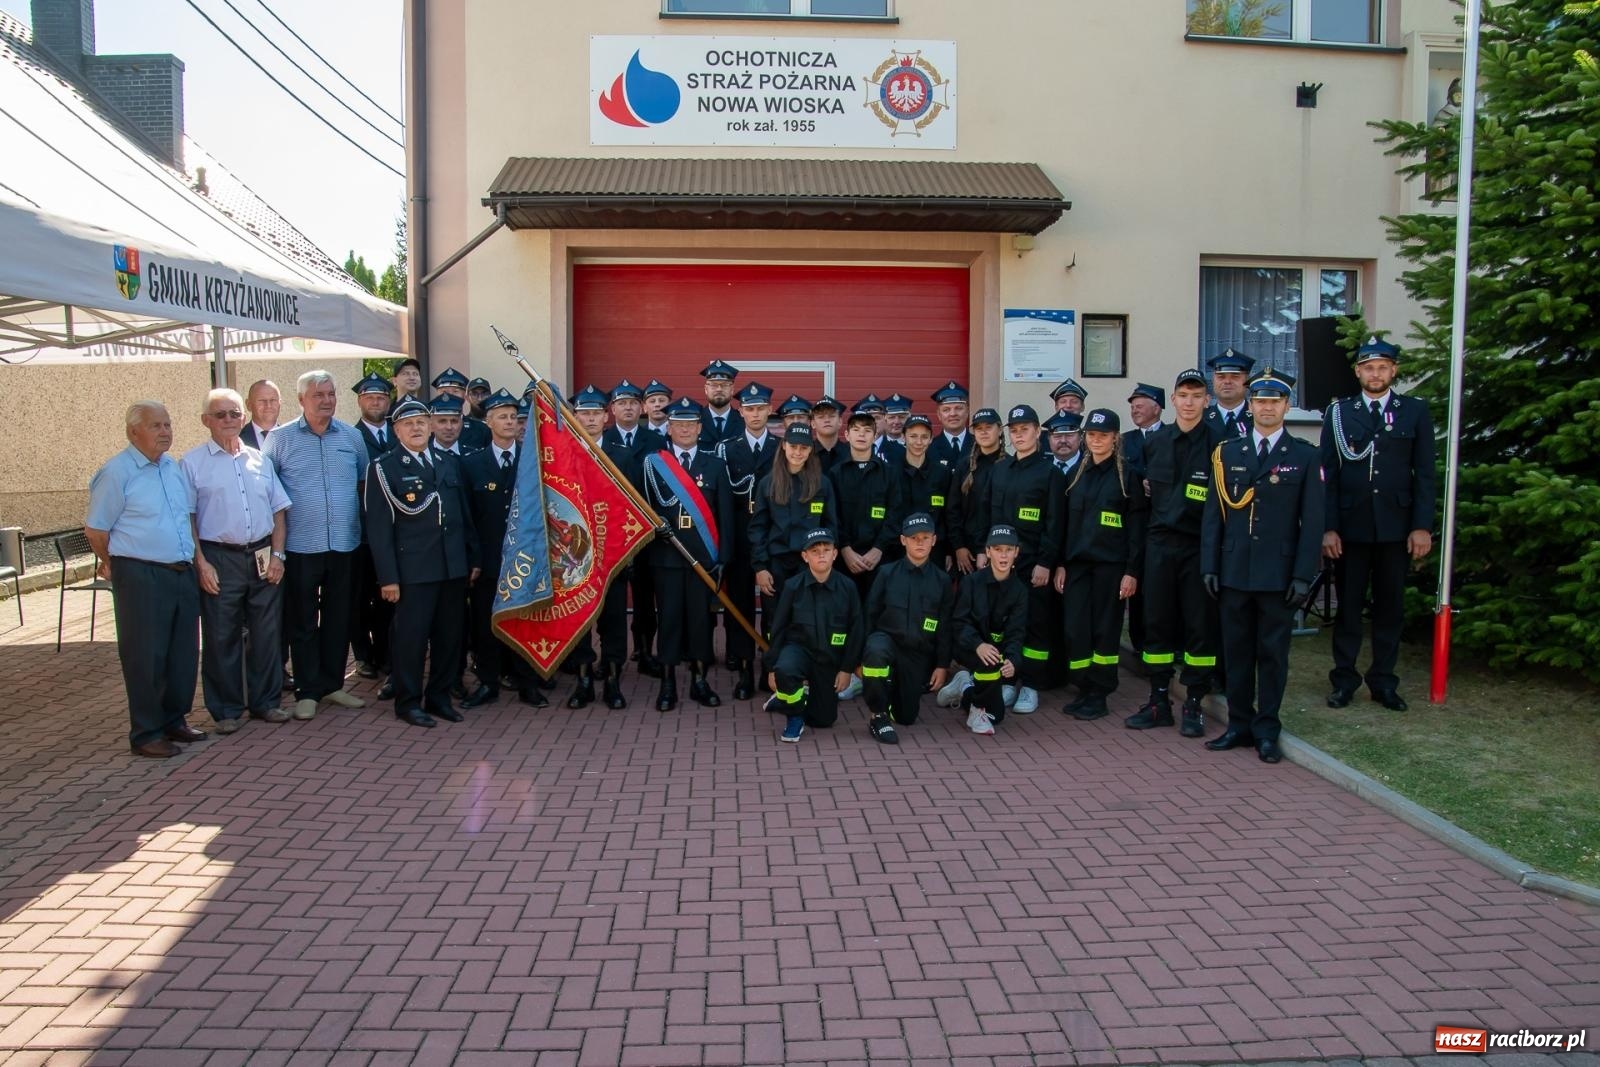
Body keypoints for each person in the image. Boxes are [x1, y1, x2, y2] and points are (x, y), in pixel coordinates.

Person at [1202, 369, 1324, 764]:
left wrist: (1303, 575)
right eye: (1260, 401)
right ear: (1250, 405)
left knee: (1272, 656)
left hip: (1278, 575)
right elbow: (1213, 516)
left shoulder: (1305, 456)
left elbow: (1312, 523)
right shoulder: (1228, 453)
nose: (1267, 408)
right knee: (1236, 653)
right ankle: (1238, 724)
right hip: (1234, 570)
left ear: (1286, 406)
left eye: (1275, 401)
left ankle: (1267, 729)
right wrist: (1210, 565)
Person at [1321, 337, 1436, 711]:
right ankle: (1344, 681)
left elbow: (1425, 474)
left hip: (1395, 528)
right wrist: (1328, 527)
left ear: (1393, 371)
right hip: (1350, 528)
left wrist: (1421, 526)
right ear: (1358, 372)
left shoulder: (1414, 411)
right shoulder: (1339, 413)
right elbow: (1328, 474)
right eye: (1369, 368)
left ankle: (1384, 682)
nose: (1375, 374)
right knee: (1348, 609)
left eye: (1382, 367)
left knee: (1390, 609)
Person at [87, 400, 205, 758]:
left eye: (167, 424)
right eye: (156, 425)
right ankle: (146, 733)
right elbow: (96, 530)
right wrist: (113, 564)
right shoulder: (116, 472)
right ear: (133, 431)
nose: (165, 431)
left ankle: (173, 720)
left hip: (180, 572)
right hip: (141, 574)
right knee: (145, 656)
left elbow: (183, 518)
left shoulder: (171, 467)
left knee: (182, 653)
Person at [182, 387, 292, 734]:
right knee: (221, 635)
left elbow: (278, 510)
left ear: (244, 417)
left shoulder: (260, 459)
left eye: (234, 414)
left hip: (261, 554)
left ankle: (266, 703)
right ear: (206, 421)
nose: (229, 420)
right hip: (219, 557)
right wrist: (201, 563)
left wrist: (278, 555)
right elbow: (187, 519)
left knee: (266, 634)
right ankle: (226, 710)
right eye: (220, 414)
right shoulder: (192, 463)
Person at [365, 398, 480, 728]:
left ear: (430, 426)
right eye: (408, 424)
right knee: (411, 640)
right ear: (397, 430)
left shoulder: (448, 461)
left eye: (420, 422)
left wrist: (472, 557)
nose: (415, 428)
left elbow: (463, 515)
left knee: (449, 637)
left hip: (452, 567)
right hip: (413, 571)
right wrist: (388, 578)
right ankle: (408, 702)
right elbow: (379, 529)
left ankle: (439, 698)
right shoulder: (384, 468)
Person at [265, 370, 368, 721]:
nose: (326, 400)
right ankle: (307, 690)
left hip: (344, 544)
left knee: (339, 618)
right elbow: (268, 492)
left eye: (331, 394)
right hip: (300, 546)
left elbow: (362, 484)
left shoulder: (352, 437)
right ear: (301, 400)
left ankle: (332, 684)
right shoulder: (279, 439)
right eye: (318, 395)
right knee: (303, 621)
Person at [1133, 370, 1225, 737]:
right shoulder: (1156, 442)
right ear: (1172, 400)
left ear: (1207, 400)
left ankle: (1194, 703)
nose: (1189, 402)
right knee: (1156, 622)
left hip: (1198, 547)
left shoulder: (1220, 444)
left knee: (1199, 626)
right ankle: (1159, 700)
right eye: (1183, 395)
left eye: (1196, 396)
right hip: (1159, 546)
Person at [461, 388, 551, 710]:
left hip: (525, 557)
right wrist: (473, 558)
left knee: (524, 622)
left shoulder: (533, 462)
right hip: (488, 559)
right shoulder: (471, 464)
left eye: (514, 416)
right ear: (488, 422)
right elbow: (467, 517)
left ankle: (527, 683)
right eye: (502, 416)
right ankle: (488, 682)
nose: (510, 422)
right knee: (487, 624)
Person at [1056, 408, 1148, 721]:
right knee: (1076, 628)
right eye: (1092, 435)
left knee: (1104, 630)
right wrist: (1061, 564)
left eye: (1103, 435)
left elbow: (1136, 529)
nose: (1097, 440)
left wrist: (1131, 571)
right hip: (1077, 566)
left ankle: (1100, 692)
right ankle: (1083, 686)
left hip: (1111, 567)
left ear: (1115, 438)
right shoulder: (1076, 474)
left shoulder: (1127, 477)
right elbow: (1065, 524)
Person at [643, 397, 734, 712]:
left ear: (699, 428)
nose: (684, 429)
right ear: (669, 428)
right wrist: (655, 528)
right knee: (669, 620)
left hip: (702, 559)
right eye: (678, 424)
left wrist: (723, 559)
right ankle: (667, 683)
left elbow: (725, 516)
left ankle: (699, 680)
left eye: (690, 424)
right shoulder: (654, 464)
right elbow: (644, 509)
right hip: (666, 558)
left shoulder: (715, 465)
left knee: (700, 622)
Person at [976, 404, 1065, 710]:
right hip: (1001, 565)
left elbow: (1055, 523)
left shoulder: (1050, 473)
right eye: (1014, 431)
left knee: (1036, 625)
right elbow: (986, 513)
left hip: (1032, 565)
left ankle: (1031, 685)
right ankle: (1007, 680)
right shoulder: (1000, 470)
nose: (1019, 435)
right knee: (1003, 624)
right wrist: (982, 551)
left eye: (1024, 429)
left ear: (1038, 431)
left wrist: (1046, 562)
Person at [560, 385, 633, 708]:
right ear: (574, 417)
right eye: (584, 413)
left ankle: (613, 680)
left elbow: (632, 506)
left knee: (614, 620)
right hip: (574, 556)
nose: (589, 419)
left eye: (595, 413)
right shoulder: (563, 455)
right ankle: (584, 680)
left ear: (606, 417)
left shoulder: (622, 455)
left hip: (612, 553)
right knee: (578, 620)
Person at [751, 423, 838, 683]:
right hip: (776, 565)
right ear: (783, 446)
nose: (798, 452)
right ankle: (772, 672)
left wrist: (824, 562)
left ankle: (807, 673)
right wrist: (760, 567)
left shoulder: (822, 484)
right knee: (773, 621)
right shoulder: (768, 483)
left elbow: (831, 525)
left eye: (803, 448)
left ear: (810, 451)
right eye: (793, 447)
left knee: (809, 619)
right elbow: (757, 529)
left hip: (810, 566)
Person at [860, 513, 955, 744]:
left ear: (934, 540)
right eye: (914, 538)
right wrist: (859, 658)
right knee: (875, 653)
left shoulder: (942, 581)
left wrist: (942, 665)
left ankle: (891, 694)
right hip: (886, 641)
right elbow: (869, 615)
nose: (919, 543)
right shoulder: (886, 573)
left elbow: (945, 627)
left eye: (925, 537)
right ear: (903, 540)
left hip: (916, 652)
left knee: (906, 717)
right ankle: (878, 715)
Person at [762, 527, 864, 743]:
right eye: (814, 551)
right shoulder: (792, 586)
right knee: (785, 669)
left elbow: (856, 631)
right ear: (805, 556)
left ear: (834, 554)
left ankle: (788, 699)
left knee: (823, 720)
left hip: (828, 657)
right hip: (799, 651)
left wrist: (846, 669)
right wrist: (771, 667)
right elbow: (778, 628)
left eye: (826, 550)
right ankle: (794, 717)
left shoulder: (848, 587)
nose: (821, 555)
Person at [716, 381, 778, 698]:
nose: (755, 414)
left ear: (770, 410)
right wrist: (725, 546)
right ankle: (743, 669)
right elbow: (723, 503)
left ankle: (770, 669)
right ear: (741, 412)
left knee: (772, 608)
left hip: (771, 539)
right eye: (750, 409)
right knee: (739, 607)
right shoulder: (727, 448)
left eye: (760, 408)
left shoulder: (781, 448)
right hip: (739, 540)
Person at [935, 524, 1027, 736]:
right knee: (989, 661)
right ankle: (976, 711)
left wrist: (1013, 660)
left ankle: (964, 687)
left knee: (997, 716)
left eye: (1008, 550)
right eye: (997, 549)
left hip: (995, 654)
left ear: (1016, 552)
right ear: (988, 551)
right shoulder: (971, 582)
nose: (1003, 555)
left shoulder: (1020, 591)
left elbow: (1016, 632)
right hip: (968, 648)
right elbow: (959, 622)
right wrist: (978, 645)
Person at [603, 379, 666, 677]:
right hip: (609, 531)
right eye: (621, 403)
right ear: (612, 409)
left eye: (632, 403)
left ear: (641, 408)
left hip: (644, 530)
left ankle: (644, 650)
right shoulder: (601, 439)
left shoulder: (655, 441)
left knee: (644, 594)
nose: (627, 408)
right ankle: (607, 656)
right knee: (608, 597)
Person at [829, 404, 904, 608]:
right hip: (844, 561)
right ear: (847, 435)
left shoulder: (889, 473)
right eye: (856, 430)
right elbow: (832, 516)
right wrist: (845, 550)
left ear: (875, 435)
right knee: (845, 614)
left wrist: (878, 549)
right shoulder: (835, 474)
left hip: (880, 559)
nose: (861, 434)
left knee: (877, 613)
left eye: (867, 430)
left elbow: (895, 514)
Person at [350, 372, 396, 681]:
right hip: (362, 531)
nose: (376, 402)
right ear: (360, 401)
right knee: (360, 598)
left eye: (381, 397)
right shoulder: (350, 436)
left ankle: (385, 653)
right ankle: (363, 656)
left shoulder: (399, 431)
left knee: (387, 598)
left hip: (394, 530)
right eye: (370, 398)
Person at [947, 408, 1004, 574]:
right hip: (967, 551)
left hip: (999, 549)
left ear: (1000, 430)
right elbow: (953, 509)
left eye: (989, 427)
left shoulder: (1009, 466)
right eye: (979, 428)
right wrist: (959, 547)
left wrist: (988, 549)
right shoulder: (964, 466)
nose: (983, 432)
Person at [897, 414, 954, 571]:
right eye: (913, 436)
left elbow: (949, 514)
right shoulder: (891, 473)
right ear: (903, 437)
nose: (918, 442)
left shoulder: (942, 473)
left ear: (930, 439)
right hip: (898, 549)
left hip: (935, 550)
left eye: (924, 437)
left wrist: (949, 550)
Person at [432, 366, 491, 451]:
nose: (450, 395)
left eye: (455, 391)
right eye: (444, 392)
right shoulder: (429, 429)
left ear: (464, 396)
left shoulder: (482, 429)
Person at [1203, 349, 1255, 440]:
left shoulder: (1258, 417)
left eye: (1235, 376)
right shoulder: (1200, 418)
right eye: (1221, 377)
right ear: (1213, 381)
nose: (1227, 381)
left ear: (1247, 381)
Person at [928, 380, 972, 471]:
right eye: (946, 410)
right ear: (939, 415)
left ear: (967, 412)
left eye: (958, 408)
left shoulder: (979, 445)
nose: (953, 414)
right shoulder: (929, 447)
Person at [699, 359, 744, 448]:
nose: (719, 389)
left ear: (732, 389)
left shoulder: (744, 422)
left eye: (724, 385)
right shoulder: (695, 421)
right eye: (714, 385)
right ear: (706, 389)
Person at [429, 394, 474, 458]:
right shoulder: (422, 456)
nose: (449, 427)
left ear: (461, 424)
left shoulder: (473, 456)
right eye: (442, 421)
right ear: (431, 425)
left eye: (454, 421)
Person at [240, 379, 281, 450]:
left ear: (280, 403)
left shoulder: (293, 438)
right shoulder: (237, 438)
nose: (268, 405)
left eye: (273, 400)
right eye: (262, 400)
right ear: (248, 404)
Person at [809, 395, 847, 472]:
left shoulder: (850, 453)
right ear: (813, 424)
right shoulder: (806, 453)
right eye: (821, 417)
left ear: (840, 422)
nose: (827, 420)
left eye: (831, 416)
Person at [1045, 410, 1084, 476]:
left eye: (1069, 435)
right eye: (1057, 436)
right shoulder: (1041, 467)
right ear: (1048, 438)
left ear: (1080, 437)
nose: (1063, 440)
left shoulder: (1090, 466)